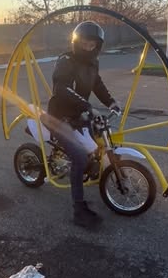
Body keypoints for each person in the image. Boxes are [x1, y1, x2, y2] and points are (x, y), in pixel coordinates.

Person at [47, 21, 121, 228]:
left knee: (96, 144)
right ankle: (78, 210)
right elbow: (60, 88)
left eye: (93, 44)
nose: (89, 47)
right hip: (59, 117)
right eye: (85, 43)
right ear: (76, 42)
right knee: (80, 156)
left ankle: (86, 174)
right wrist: (87, 105)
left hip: (78, 115)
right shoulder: (65, 61)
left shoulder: (92, 63)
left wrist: (111, 102)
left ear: (98, 45)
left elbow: (96, 83)